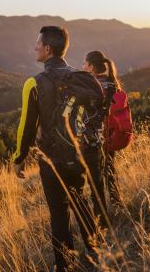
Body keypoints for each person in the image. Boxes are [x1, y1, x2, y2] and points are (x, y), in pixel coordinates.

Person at [11, 26, 98, 272]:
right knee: (80, 199)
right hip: (78, 153)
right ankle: (95, 253)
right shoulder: (80, 77)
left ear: (47, 49)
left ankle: (65, 265)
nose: (35, 47)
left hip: (51, 160)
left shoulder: (35, 83)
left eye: (38, 43)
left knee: (59, 214)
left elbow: (27, 126)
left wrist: (19, 158)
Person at [82, 51, 124, 217]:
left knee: (95, 179)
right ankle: (117, 203)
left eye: (84, 64)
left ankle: (101, 217)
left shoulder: (91, 86)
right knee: (110, 171)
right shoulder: (111, 83)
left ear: (91, 67)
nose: (82, 66)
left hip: (94, 138)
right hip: (110, 135)